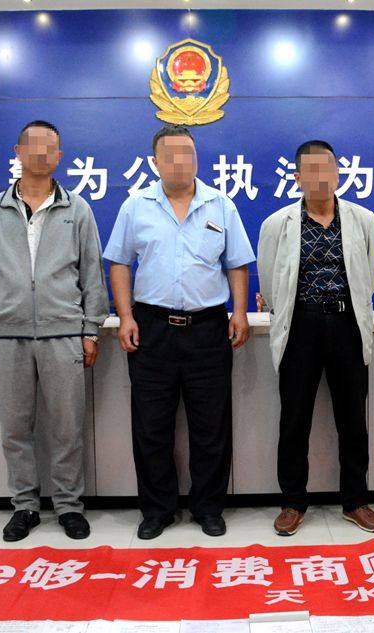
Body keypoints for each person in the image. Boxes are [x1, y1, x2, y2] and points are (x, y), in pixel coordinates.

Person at [103, 124, 255, 539]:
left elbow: (237, 263)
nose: (179, 162)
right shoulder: (136, 206)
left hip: (208, 328)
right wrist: (125, 316)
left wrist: (240, 312)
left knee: (211, 426)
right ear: (155, 162)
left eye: (187, 153)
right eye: (169, 155)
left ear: (196, 157)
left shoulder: (221, 205)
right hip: (151, 328)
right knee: (151, 426)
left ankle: (209, 508)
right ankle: (157, 510)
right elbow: (119, 263)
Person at [0, 120, 109, 542]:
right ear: (18, 151)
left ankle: (69, 506)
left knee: (67, 427)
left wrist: (90, 330)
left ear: (60, 156)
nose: (42, 153)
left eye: (51, 147)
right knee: (15, 429)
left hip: (63, 334)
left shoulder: (77, 210)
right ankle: (24, 506)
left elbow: (92, 275)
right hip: (6, 336)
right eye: (34, 145)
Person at [258, 140, 374, 536]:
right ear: (297, 178)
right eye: (310, 171)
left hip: (348, 326)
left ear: (338, 174)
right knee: (294, 419)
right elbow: (269, 279)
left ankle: (356, 500)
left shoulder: (362, 219)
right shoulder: (277, 223)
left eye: (326, 168)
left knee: (353, 419)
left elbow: (372, 272)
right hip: (300, 327)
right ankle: (293, 502)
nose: (319, 177)